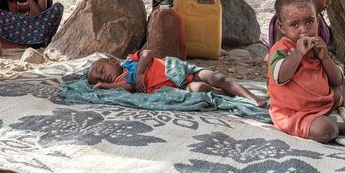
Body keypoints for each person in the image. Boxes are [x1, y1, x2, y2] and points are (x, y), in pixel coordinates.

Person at [268, 0, 345, 142]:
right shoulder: (282, 49)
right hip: (292, 112)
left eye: (309, 21)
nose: (303, 30)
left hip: (321, 103)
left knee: (340, 90)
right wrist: (298, 54)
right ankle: (338, 127)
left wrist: (325, 57)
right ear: (281, 27)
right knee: (326, 130)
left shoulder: (319, 45)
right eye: (294, 24)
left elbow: (337, 79)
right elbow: (280, 77)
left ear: (317, 20)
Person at [87, 49, 266, 107]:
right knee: (201, 89)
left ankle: (254, 99)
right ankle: (226, 95)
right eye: (98, 78)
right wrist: (103, 86)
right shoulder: (122, 83)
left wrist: (141, 73)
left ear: (112, 60)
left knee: (217, 77)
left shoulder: (130, 60)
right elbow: (128, 88)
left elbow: (148, 53)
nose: (103, 76)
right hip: (181, 86)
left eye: (101, 69)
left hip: (181, 71)